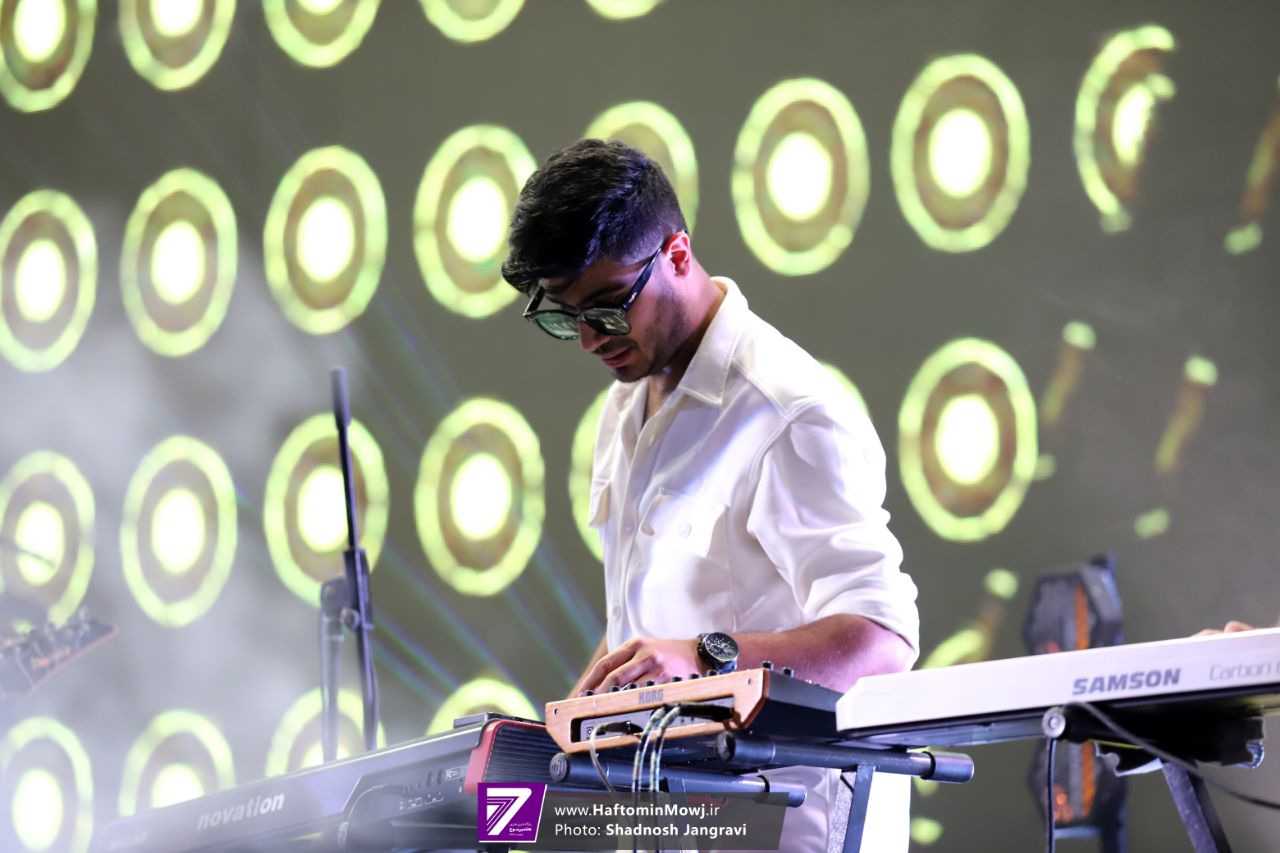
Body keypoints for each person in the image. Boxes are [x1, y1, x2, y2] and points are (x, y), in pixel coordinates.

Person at [502, 139, 920, 852]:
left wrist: (705, 658)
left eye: (606, 309)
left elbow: (883, 642)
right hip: (680, 819)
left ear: (677, 254)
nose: (589, 340)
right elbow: (648, 631)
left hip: (794, 827)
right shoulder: (625, 402)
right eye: (563, 317)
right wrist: (556, 739)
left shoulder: (789, 411)